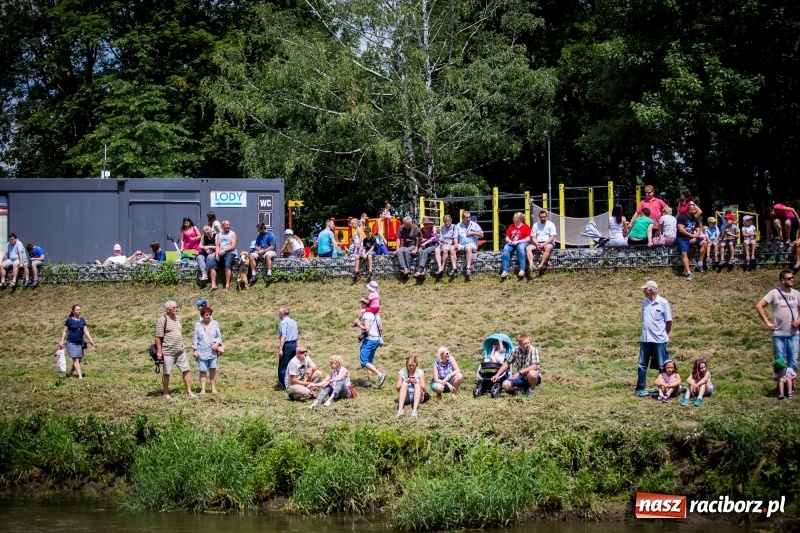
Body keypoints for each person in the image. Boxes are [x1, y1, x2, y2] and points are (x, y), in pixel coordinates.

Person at [756, 270, 800, 372]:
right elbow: (759, 306)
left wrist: (799, 320)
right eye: (789, 278)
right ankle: (781, 385)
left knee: (793, 361)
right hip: (779, 334)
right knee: (780, 362)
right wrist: (767, 322)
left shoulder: (796, 294)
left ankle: (790, 385)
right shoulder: (774, 293)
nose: (792, 280)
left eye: (792, 278)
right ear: (782, 280)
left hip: (793, 334)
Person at [635, 280, 672, 397]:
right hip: (645, 339)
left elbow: (668, 321)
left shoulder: (663, 303)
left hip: (659, 340)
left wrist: (664, 334)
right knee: (642, 365)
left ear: (650, 290)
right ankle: (640, 388)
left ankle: (665, 388)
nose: (643, 291)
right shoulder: (644, 303)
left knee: (662, 365)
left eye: (645, 289)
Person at [155, 300, 195, 399]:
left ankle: (189, 391)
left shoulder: (178, 318)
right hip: (168, 351)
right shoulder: (162, 320)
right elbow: (158, 337)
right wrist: (159, 351)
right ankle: (165, 393)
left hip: (180, 350)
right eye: (174, 307)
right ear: (167, 309)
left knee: (186, 370)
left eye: (177, 307)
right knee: (167, 372)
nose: (176, 309)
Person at [355, 297, 387, 388]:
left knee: (364, 361)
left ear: (364, 304)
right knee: (369, 361)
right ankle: (369, 381)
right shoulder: (376, 314)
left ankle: (380, 374)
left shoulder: (367, 314)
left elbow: (367, 329)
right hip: (376, 340)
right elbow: (380, 328)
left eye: (361, 303)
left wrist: (359, 325)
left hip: (369, 340)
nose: (360, 305)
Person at [59, 304, 96, 380]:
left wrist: (91, 340)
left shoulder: (82, 320)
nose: (79, 311)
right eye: (77, 310)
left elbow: (86, 331)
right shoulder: (69, 320)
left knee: (79, 360)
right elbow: (65, 331)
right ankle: (80, 376)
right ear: (73, 311)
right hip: (71, 342)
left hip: (79, 343)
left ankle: (70, 373)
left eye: (80, 309)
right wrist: (62, 340)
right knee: (75, 359)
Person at [192, 305, 223, 394]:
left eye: (209, 314)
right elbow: (195, 338)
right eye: (206, 315)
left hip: (212, 352)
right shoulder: (198, 325)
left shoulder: (215, 323)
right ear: (202, 315)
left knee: (213, 369)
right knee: (202, 370)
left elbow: (219, 336)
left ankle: (213, 388)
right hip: (202, 351)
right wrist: (195, 350)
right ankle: (203, 389)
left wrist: (217, 344)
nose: (208, 316)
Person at [676, 203, 708, 279]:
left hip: (693, 237)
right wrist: (692, 236)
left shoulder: (695, 218)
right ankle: (688, 272)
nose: (696, 210)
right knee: (684, 253)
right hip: (683, 238)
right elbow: (681, 230)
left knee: (704, 243)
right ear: (689, 210)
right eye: (694, 209)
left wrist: (695, 236)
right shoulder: (681, 217)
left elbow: (698, 229)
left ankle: (700, 263)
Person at [501, 212, 531, 278]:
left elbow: (528, 239)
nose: (513, 218)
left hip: (522, 242)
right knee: (506, 248)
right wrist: (509, 241)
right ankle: (505, 270)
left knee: (520, 247)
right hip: (512, 243)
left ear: (519, 219)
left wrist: (518, 241)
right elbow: (507, 237)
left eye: (514, 217)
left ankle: (522, 269)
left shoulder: (526, 226)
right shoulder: (511, 226)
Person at [453, 210, 484, 276]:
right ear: (463, 218)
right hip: (461, 244)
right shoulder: (458, 226)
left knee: (468, 247)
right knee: (452, 248)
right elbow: (455, 237)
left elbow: (482, 235)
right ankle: (454, 269)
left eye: (469, 217)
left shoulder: (474, 225)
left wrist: (473, 233)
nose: (468, 219)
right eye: (466, 217)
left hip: (472, 244)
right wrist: (455, 244)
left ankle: (468, 268)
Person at [211, 220, 237, 292]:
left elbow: (233, 246)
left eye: (229, 225)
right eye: (226, 225)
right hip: (221, 252)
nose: (228, 226)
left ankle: (227, 285)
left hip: (230, 252)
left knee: (227, 265)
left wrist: (224, 250)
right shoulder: (219, 234)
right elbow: (217, 245)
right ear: (223, 226)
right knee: (212, 265)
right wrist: (216, 254)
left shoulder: (232, 234)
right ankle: (213, 285)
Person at [277, 305, 299, 391]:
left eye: (279, 313)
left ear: (282, 313)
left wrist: (280, 349)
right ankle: (291, 382)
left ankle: (283, 385)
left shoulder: (283, 322)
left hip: (287, 345)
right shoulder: (294, 322)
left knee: (283, 367)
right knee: (292, 365)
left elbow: (283, 336)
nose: (279, 314)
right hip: (294, 344)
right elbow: (296, 336)